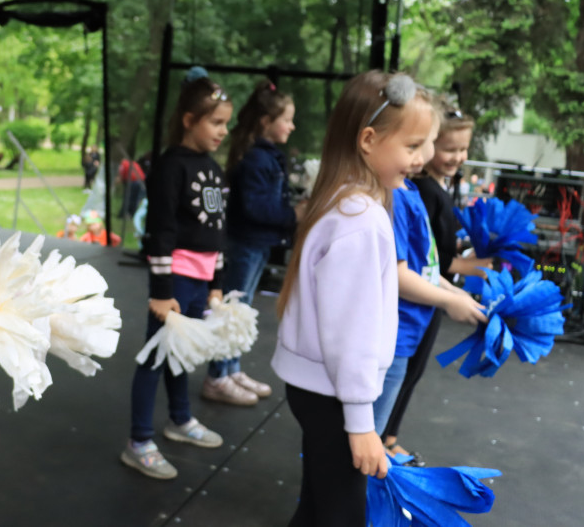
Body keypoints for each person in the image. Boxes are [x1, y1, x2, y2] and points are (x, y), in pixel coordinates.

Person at [271, 71, 428, 525]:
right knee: (340, 512)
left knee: (319, 504)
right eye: (413, 146)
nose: (422, 159)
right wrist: (361, 424)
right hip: (334, 397)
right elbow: (351, 332)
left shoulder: (344, 202)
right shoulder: (361, 218)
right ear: (368, 139)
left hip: (319, 389)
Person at [121, 73, 232, 480]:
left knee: (181, 355)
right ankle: (139, 440)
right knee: (154, 357)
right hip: (175, 282)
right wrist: (163, 291)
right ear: (189, 120)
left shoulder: (214, 169)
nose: (223, 131)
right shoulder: (171, 167)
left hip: (201, 282)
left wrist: (217, 283)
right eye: (215, 123)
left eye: (226, 124)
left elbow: (218, 231)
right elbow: (161, 231)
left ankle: (181, 420)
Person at [370, 93, 487, 444]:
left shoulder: (409, 191)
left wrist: (455, 293)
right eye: (414, 145)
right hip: (392, 332)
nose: (422, 156)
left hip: (405, 331)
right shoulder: (399, 195)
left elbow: (423, 266)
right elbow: (399, 272)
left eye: (426, 145)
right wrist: (450, 299)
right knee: (366, 436)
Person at [203, 79, 303, 406]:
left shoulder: (266, 157)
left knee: (240, 310)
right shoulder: (258, 160)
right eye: (286, 119)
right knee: (232, 310)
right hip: (245, 244)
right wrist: (293, 214)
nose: (292, 126)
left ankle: (231, 369)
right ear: (266, 122)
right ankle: (217, 375)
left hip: (256, 243)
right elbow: (255, 206)